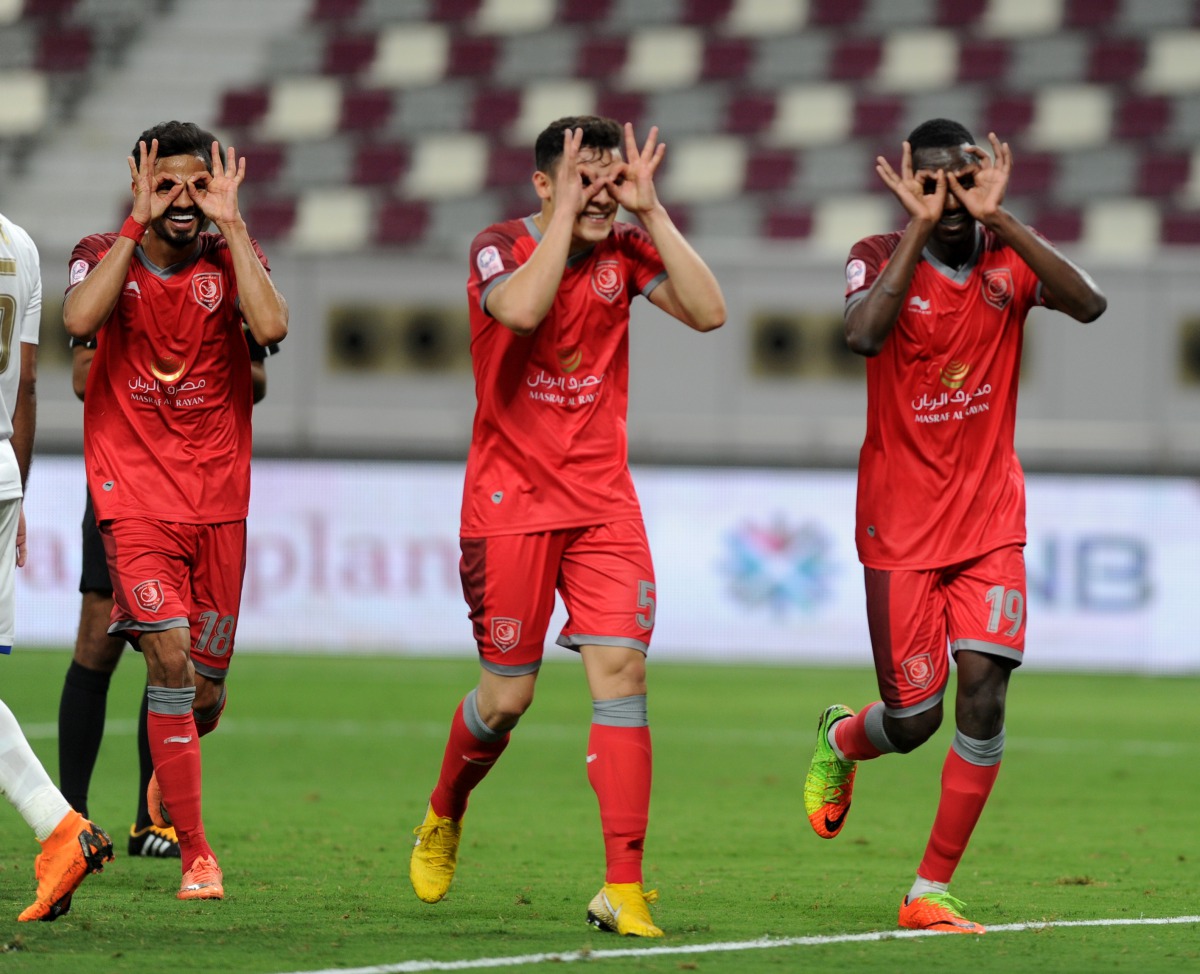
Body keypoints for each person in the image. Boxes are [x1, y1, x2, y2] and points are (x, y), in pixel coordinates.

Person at [409, 115, 725, 937]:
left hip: (602, 504)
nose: (602, 194)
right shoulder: (498, 245)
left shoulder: (628, 244)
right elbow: (516, 310)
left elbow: (710, 312)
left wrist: (650, 213)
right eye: (585, 178)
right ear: (544, 185)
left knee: (621, 671)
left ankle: (623, 886)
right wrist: (568, 221)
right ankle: (446, 807)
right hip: (510, 506)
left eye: (611, 177)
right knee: (507, 698)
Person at [803, 119, 1107, 934]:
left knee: (985, 691)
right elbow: (864, 335)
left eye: (960, 182)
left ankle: (927, 889)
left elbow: (1091, 304)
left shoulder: (1009, 254)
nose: (947, 199)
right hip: (899, 529)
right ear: (906, 183)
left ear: (983, 177)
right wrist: (913, 227)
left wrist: (1004, 219)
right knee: (915, 720)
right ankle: (844, 739)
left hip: (989, 525)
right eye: (929, 184)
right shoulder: (875, 253)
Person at [62, 120, 288, 901]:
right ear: (140, 183)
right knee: (165, 657)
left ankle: (174, 763)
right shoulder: (101, 252)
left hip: (218, 503)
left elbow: (273, 328)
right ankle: (196, 853)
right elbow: (79, 323)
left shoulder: (231, 258)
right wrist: (135, 218)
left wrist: (234, 222)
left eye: (198, 184)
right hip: (135, 502)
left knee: (202, 691)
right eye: (169, 184)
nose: (183, 199)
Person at [57, 331, 274, 860]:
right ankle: (70, 819)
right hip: (126, 482)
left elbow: (259, 378)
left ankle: (149, 823)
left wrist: (198, 366)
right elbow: (84, 377)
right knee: (97, 643)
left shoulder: (219, 275)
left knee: (172, 656)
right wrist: (158, 370)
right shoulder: (112, 271)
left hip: (199, 488)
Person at [0, 210, 114, 922]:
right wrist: (19, 491)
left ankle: (60, 827)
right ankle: (59, 828)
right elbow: (28, 389)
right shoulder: (19, 244)